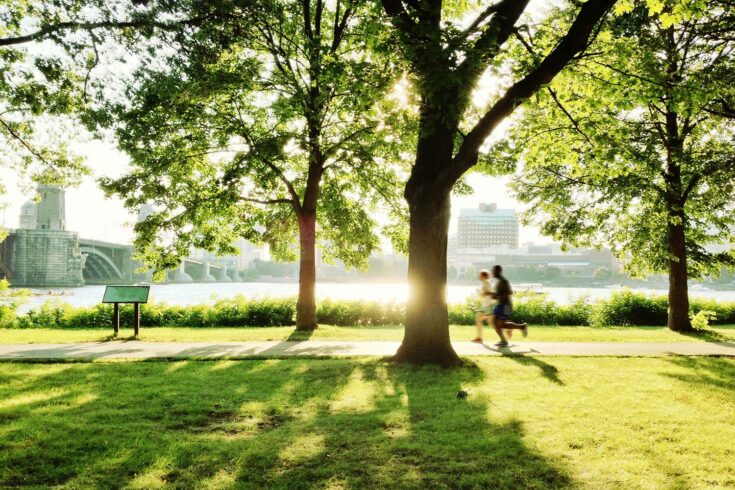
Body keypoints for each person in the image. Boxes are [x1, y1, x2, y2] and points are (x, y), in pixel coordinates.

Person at [490, 265, 527, 347]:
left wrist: (497, 296)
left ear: (498, 271)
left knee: (499, 324)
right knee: (495, 323)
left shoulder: (504, 281)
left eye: (493, 271)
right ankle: (521, 327)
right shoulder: (498, 281)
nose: (492, 272)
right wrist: (493, 295)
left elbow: (509, 292)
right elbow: (499, 293)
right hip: (500, 305)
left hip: (505, 305)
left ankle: (504, 340)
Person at [471, 270, 495, 343]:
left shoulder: (486, 284)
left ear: (484, 276)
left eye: (480, 275)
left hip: (487, 306)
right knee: (479, 320)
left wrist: (478, 292)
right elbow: (487, 294)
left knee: (491, 323)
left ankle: (507, 330)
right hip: (485, 305)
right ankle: (479, 337)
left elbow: (485, 294)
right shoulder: (485, 283)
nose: (479, 276)